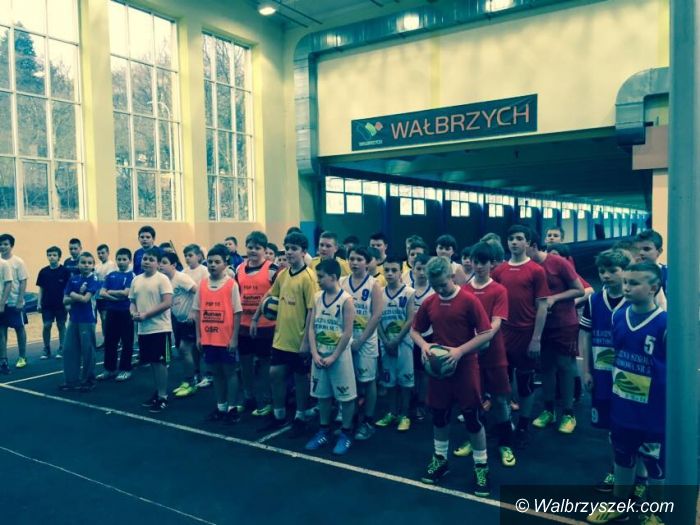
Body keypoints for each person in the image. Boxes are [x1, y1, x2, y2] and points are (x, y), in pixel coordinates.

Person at [586, 262, 668, 525]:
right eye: (626, 283)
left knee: (655, 466)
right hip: (622, 408)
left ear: (653, 288)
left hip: (653, 413)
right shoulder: (618, 316)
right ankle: (619, 506)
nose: (627, 288)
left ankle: (656, 513)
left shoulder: (666, 324)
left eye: (634, 283)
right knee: (622, 458)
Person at [410, 256, 494, 496]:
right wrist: (425, 346)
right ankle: (440, 460)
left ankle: (481, 466)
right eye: (435, 286)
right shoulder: (430, 302)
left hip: (465, 367)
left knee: (472, 418)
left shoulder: (468, 300)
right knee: (439, 415)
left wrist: (459, 351)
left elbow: (486, 334)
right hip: (439, 370)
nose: (439, 290)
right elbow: (415, 331)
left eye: (443, 284)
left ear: (451, 276)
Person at [455, 242, 515, 467]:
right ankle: (474, 439)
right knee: (473, 399)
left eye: (483, 262)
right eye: (475, 262)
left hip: (494, 353)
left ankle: (505, 443)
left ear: (492, 264)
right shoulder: (464, 290)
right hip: (471, 355)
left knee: (499, 399)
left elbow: (496, 322)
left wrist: (481, 338)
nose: (478, 266)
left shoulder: (499, 290)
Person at [491, 225, 550, 448]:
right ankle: (504, 423)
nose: (514, 242)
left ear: (527, 243)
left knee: (525, 385)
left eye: (519, 238)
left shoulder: (536, 270)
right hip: (502, 335)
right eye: (511, 238)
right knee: (501, 385)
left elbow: (542, 306)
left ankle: (523, 425)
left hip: (525, 335)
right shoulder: (499, 271)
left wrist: (536, 338)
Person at [254, 231, 317, 435]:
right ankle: (279, 415)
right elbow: (270, 295)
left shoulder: (309, 278)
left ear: (304, 252)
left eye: (294, 249)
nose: (289, 252)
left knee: (300, 379)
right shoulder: (283, 274)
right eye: (287, 248)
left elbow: (312, 311)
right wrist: (256, 317)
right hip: (281, 337)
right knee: (275, 374)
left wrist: (306, 341)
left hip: (299, 339)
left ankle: (300, 416)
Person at [580, 249, 631, 493]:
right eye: (602, 271)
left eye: (613, 270)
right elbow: (586, 335)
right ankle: (617, 468)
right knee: (611, 427)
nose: (606, 275)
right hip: (602, 374)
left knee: (631, 426)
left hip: (629, 376)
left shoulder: (634, 301)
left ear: (625, 272)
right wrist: (586, 370)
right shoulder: (594, 300)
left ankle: (637, 475)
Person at [528, 232, 584, 434]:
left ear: (533, 245)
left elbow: (579, 290)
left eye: (521, 242)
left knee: (564, 366)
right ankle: (549, 410)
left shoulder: (558, 263)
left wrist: (554, 298)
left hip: (563, 323)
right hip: (539, 325)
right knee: (546, 368)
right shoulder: (526, 267)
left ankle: (568, 413)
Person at [305, 259, 357, 455]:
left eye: (320, 277)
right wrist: (314, 352)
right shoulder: (317, 297)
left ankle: (346, 432)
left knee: (346, 396)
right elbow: (311, 327)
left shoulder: (346, 300)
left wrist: (334, 356)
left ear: (333, 277)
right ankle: (324, 430)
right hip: (319, 355)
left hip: (339, 357)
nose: (317, 280)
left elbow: (348, 332)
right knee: (322, 395)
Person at [194, 244, 243, 423]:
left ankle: (232, 408)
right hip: (209, 339)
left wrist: (234, 338)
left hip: (226, 339)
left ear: (225, 264)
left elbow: (237, 313)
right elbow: (198, 312)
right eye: (210, 262)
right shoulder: (202, 285)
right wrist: (199, 336)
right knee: (216, 373)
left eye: (217, 262)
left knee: (230, 373)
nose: (213, 265)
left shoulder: (231, 284)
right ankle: (221, 407)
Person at [340, 246, 383, 441]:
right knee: (350, 380)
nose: (354, 262)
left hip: (365, 340)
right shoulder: (342, 282)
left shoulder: (373, 284)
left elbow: (376, 315)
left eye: (359, 259)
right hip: (346, 338)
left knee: (368, 380)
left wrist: (361, 340)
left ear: (367, 262)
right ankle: (351, 419)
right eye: (351, 259)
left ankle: (368, 421)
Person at [237, 231, 277, 416]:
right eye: (250, 247)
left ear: (264, 249)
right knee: (245, 364)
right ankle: (249, 397)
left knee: (265, 364)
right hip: (244, 325)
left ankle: (268, 400)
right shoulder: (239, 269)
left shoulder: (273, 270)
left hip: (266, 326)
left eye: (257, 248)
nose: (253, 251)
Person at [129, 247, 173, 413]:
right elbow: (132, 301)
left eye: (151, 260)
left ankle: (163, 397)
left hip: (160, 328)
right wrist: (133, 313)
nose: (146, 262)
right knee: (153, 363)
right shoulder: (136, 280)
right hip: (143, 329)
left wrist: (147, 314)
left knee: (160, 363)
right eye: (145, 259)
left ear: (158, 263)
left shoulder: (162, 279)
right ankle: (158, 392)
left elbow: (167, 302)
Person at [376, 255, 416, 432]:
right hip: (386, 343)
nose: (390, 273)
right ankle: (391, 412)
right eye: (387, 270)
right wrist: (386, 341)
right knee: (389, 382)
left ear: (401, 272)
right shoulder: (379, 292)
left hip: (404, 342)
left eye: (394, 270)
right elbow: (376, 318)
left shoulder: (409, 292)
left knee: (405, 382)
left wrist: (397, 340)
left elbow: (411, 319)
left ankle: (405, 415)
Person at [159, 252, 198, 398]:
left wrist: (193, 311)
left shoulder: (181, 278)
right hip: (178, 320)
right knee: (184, 351)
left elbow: (198, 292)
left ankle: (192, 382)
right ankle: (189, 379)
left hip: (190, 320)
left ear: (174, 265)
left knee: (184, 349)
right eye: (160, 262)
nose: (161, 265)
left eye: (164, 262)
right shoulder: (164, 280)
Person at [61, 252, 101, 392]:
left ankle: (89, 380)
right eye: (83, 262)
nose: (86, 265)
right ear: (78, 264)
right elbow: (64, 301)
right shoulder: (73, 279)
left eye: (89, 263)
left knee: (87, 350)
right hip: (73, 319)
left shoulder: (94, 279)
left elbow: (85, 300)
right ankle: (71, 380)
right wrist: (77, 295)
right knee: (68, 349)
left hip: (87, 319)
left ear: (93, 265)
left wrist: (73, 294)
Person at [97, 248, 135, 381]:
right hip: (112, 312)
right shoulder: (110, 275)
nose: (121, 262)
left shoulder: (132, 276)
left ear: (129, 261)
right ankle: (109, 369)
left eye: (124, 259)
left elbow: (126, 294)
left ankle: (125, 369)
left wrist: (111, 292)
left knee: (126, 341)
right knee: (110, 341)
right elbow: (102, 293)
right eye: (119, 259)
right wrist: (116, 297)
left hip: (126, 312)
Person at [409, 253, 434, 421]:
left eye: (425, 269)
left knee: (425, 371)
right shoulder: (407, 289)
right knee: (412, 371)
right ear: (413, 269)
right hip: (409, 336)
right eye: (418, 268)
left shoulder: (434, 290)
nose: (422, 272)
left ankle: (422, 402)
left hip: (428, 336)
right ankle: (411, 399)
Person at [36, 246, 71, 359]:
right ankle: (46, 348)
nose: (52, 257)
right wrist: (39, 303)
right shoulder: (43, 272)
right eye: (49, 255)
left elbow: (68, 288)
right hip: (47, 304)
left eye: (54, 255)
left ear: (59, 257)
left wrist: (67, 302)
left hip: (61, 304)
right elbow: (41, 289)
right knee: (47, 325)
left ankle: (62, 348)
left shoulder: (65, 271)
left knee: (61, 325)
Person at [0, 233, 29, 369]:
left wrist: (20, 300)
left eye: (6, 244)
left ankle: (22, 356)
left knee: (19, 328)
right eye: (1, 244)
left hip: (14, 302)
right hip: (2, 303)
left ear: (11, 246)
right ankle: (3, 359)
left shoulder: (18, 262)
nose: (2, 246)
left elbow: (23, 281)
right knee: (2, 330)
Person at [95, 244, 118, 345]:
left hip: (107, 296)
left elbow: (107, 280)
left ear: (108, 253)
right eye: (99, 253)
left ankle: (115, 340)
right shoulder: (97, 266)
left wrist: (99, 282)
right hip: (98, 297)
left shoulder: (111, 265)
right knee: (103, 319)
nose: (100, 255)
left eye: (103, 253)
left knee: (107, 318)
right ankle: (106, 339)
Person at [635, 230, 667, 295]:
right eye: (637, 249)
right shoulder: (629, 274)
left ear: (659, 251)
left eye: (646, 249)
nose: (641, 253)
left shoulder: (668, 273)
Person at [0, 256, 13, 374]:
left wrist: (2, 303)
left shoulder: (4, 264)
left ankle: (3, 361)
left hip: (1, 304)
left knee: (1, 333)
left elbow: (8, 284)